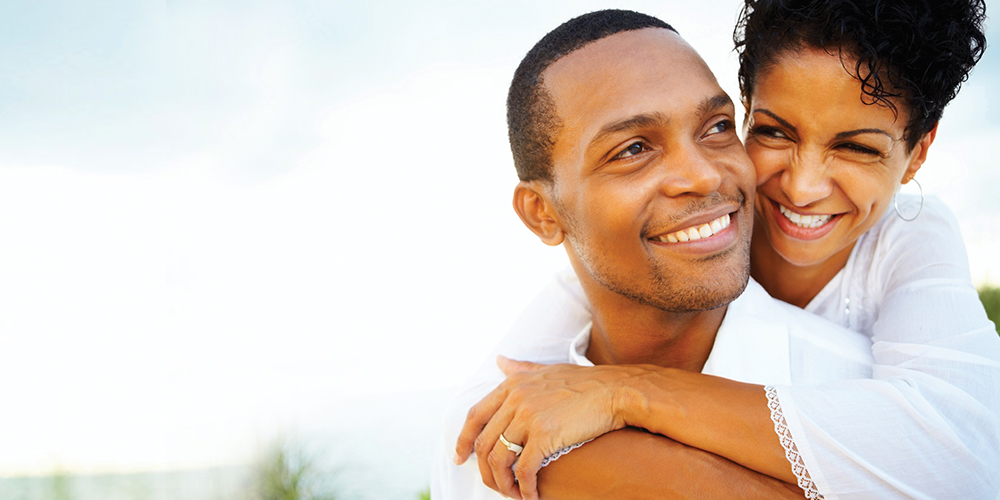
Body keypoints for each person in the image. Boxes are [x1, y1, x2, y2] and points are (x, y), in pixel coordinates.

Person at [451, 1, 1000, 499]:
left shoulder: (910, 240)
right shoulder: (595, 299)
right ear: (749, 109)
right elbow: (481, 419)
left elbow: (967, 453)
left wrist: (627, 393)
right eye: (775, 132)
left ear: (919, 151)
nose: (803, 187)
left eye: (856, 147)